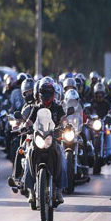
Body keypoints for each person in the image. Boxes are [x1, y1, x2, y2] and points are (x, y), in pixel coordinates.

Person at [26, 77, 66, 205]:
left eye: (49, 93)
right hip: (38, 138)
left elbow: (63, 119)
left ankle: (59, 189)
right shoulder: (36, 108)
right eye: (44, 93)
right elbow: (30, 120)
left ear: (53, 94)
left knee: (62, 155)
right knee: (28, 155)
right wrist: (25, 126)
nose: (46, 95)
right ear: (40, 94)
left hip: (53, 138)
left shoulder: (58, 107)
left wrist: (66, 125)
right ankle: (31, 191)